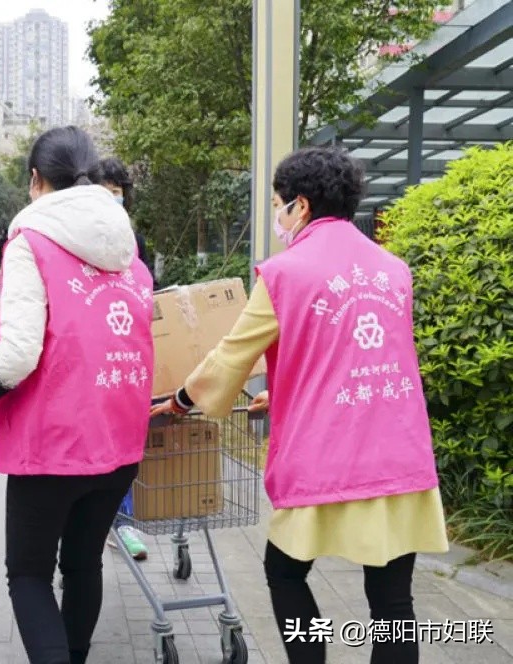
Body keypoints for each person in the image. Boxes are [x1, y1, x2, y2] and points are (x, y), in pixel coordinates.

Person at [150, 146, 448, 664]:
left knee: (285, 573)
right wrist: (284, 392)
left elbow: (231, 356)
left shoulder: (286, 273)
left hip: (327, 456)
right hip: (400, 454)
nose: (277, 214)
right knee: (393, 603)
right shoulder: (393, 269)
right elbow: (358, 356)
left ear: (301, 206)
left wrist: (180, 400)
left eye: (277, 203)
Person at [0, 126, 155, 664]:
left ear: (35, 181)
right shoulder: (130, 256)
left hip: (53, 443)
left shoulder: (31, 242)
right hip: (119, 439)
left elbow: (17, 353)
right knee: (84, 564)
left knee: (28, 573)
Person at [99, 156, 152, 561]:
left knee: (124, 445)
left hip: (126, 359)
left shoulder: (135, 244)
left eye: (118, 193)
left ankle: (124, 523)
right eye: (105, 192)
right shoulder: (71, 240)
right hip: (89, 362)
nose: (113, 199)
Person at [100, 157, 158, 290]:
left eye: (115, 192)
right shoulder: (84, 241)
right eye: (104, 192)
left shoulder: (135, 241)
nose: (110, 198)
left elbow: (151, 284)